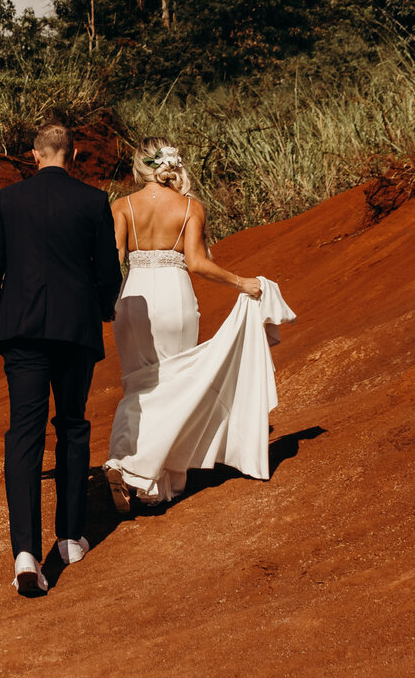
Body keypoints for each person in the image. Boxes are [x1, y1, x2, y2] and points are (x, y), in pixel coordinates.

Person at [0, 116, 124, 598]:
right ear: (74, 155)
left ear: (35, 156)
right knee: (73, 424)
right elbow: (108, 273)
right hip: (75, 331)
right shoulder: (93, 200)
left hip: (22, 332)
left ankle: (25, 553)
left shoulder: (6, 200)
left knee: (24, 432)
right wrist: (100, 312)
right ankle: (70, 539)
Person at [105, 140, 289, 513]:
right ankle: (153, 479)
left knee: (138, 383)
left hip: (134, 296)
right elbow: (197, 264)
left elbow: (114, 261)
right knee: (174, 383)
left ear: (140, 168)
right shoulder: (190, 207)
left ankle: (132, 466)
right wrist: (243, 282)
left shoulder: (121, 206)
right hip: (175, 298)